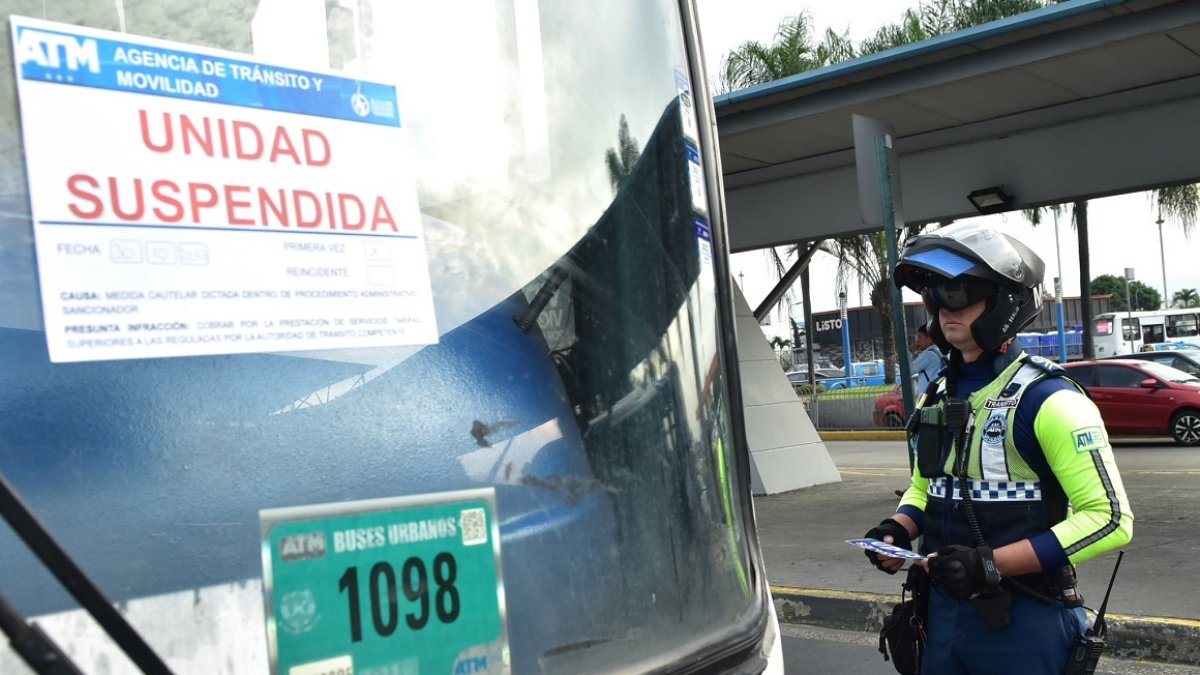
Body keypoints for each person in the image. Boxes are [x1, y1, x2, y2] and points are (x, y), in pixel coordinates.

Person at [862, 222, 1133, 675]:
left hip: (1026, 618)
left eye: (960, 293)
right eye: (936, 295)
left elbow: (1109, 519)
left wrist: (991, 564)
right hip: (942, 618)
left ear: (1005, 302)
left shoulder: (1050, 401)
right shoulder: (938, 394)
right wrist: (898, 529)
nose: (945, 309)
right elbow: (926, 488)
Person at [910, 323, 946, 397]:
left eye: (920, 338)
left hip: (927, 395)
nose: (917, 341)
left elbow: (908, 370)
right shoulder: (938, 350)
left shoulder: (928, 355)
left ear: (929, 339)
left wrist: (910, 352)